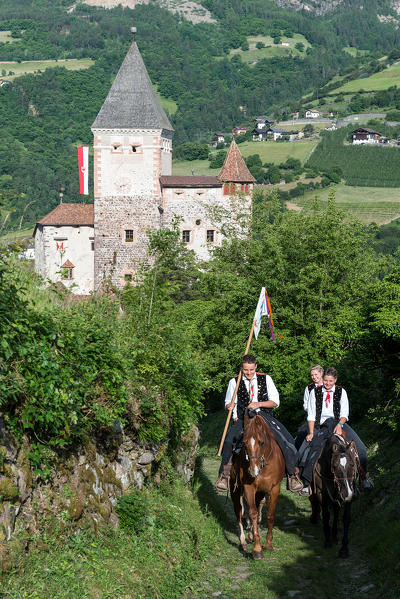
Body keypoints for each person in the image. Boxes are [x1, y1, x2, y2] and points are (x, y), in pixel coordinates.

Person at [215, 354, 303, 493]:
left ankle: (292, 474)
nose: (248, 373)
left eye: (251, 369)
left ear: (256, 366)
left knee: (284, 438)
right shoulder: (234, 382)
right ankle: (224, 475)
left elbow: (275, 402)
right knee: (228, 441)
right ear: (242, 368)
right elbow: (228, 402)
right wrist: (229, 406)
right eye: (245, 370)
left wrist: (258, 404)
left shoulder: (266, 379)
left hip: (264, 417)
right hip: (243, 419)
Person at [297, 367, 373, 496]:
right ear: (323, 379)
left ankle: (363, 478)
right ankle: (306, 482)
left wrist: (339, 424)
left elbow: (344, 413)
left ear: (335, 380)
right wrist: (311, 432)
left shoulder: (341, 391)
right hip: (320, 424)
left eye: (330, 381)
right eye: (326, 380)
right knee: (308, 450)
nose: (327, 383)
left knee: (361, 449)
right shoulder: (314, 392)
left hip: (339, 423)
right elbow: (310, 415)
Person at [294, 365, 324, 450]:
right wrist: (312, 411)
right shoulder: (309, 388)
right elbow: (306, 405)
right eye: (312, 375)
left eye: (316, 374)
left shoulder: (329, 385)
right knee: (301, 433)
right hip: (313, 420)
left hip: (329, 418)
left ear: (321, 373)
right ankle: (296, 456)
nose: (314, 377)